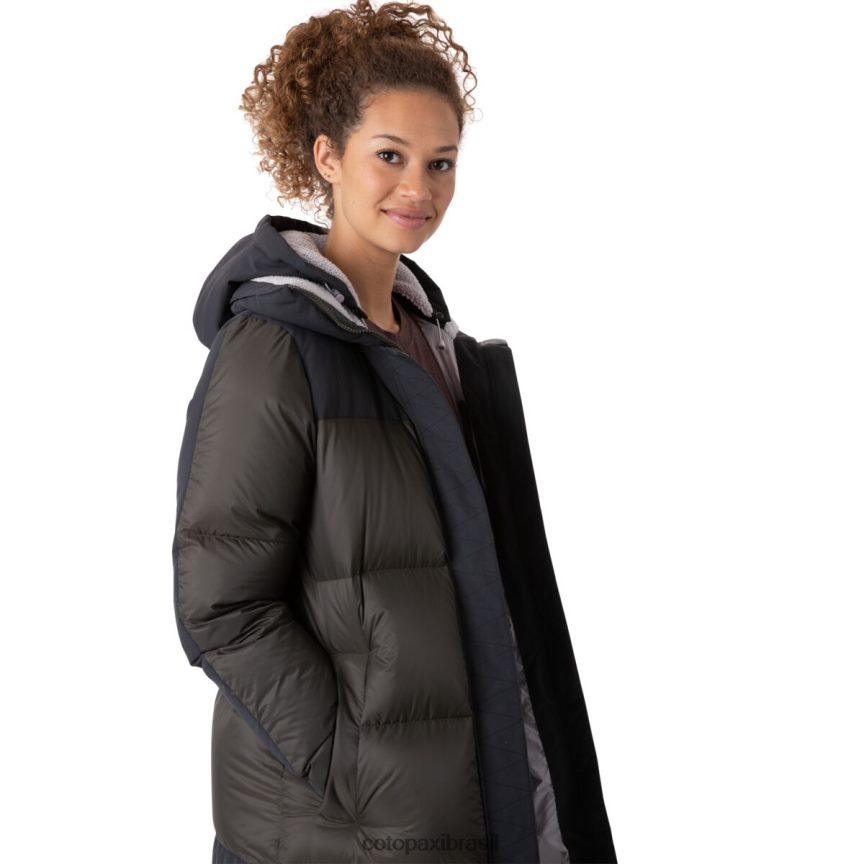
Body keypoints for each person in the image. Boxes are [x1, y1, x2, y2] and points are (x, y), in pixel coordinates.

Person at [171, 2, 617, 862]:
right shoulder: (274, 346)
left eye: (440, 162)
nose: (419, 188)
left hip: (465, 791)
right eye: (390, 156)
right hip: (343, 826)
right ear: (326, 157)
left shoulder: (438, 348)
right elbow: (221, 604)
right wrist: (359, 765)